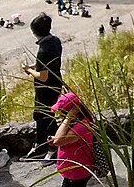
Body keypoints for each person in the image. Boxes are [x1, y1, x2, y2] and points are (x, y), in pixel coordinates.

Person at [24, 12, 64, 156]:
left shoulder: (42, 50)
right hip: (57, 82)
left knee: (45, 117)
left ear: (34, 31)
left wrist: (29, 70)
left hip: (45, 88)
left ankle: (53, 146)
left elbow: (42, 77)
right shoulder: (55, 41)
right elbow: (49, 65)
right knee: (40, 115)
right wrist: (36, 66)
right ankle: (40, 144)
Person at [48, 92, 95, 187]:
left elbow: (58, 141)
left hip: (77, 173)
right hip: (72, 171)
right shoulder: (76, 122)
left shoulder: (81, 126)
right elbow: (62, 138)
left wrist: (68, 117)